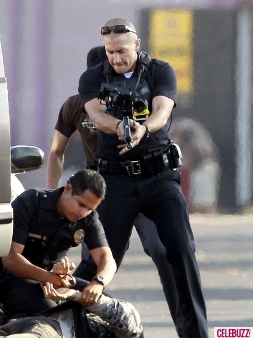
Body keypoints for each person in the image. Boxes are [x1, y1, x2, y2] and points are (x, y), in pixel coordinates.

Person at [76, 17, 209, 338]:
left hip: (159, 177)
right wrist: (119, 127)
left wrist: (144, 127)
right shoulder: (92, 77)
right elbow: (96, 115)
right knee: (96, 265)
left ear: (136, 44)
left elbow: (163, 110)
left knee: (179, 254)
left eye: (122, 51)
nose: (116, 59)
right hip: (114, 182)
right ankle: (76, 329)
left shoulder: (160, 71)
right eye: (110, 53)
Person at [46, 44, 182, 334]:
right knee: (96, 263)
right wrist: (51, 194)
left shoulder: (137, 100)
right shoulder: (77, 105)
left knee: (164, 250)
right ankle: (78, 321)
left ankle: (186, 322)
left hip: (138, 182)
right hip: (100, 188)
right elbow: (56, 150)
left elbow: (160, 117)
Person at [0, 169, 117, 321]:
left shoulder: (88, 218)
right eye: (81, 204)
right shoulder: (31, 202)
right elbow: (10, 258)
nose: (83, 213)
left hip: (53, 279)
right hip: (12, 278)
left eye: (89, 209)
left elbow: (106, 258)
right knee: (55, 315)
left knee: (111, 310)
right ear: (68, 189)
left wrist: (98, 282)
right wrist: (48, 277)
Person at [0, 261, 143, 338]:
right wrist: (75, 294)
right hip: (55, 330)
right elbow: (123, 314)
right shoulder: (131, 332)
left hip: (28, 321)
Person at [169, 117, 220, 214]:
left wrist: (183, 165)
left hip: (205, 165)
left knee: (205, 202)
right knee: (200, 202)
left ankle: (213, 223)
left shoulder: (187, 127)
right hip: (202, 166)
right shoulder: (190, 128)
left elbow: (196, 152)